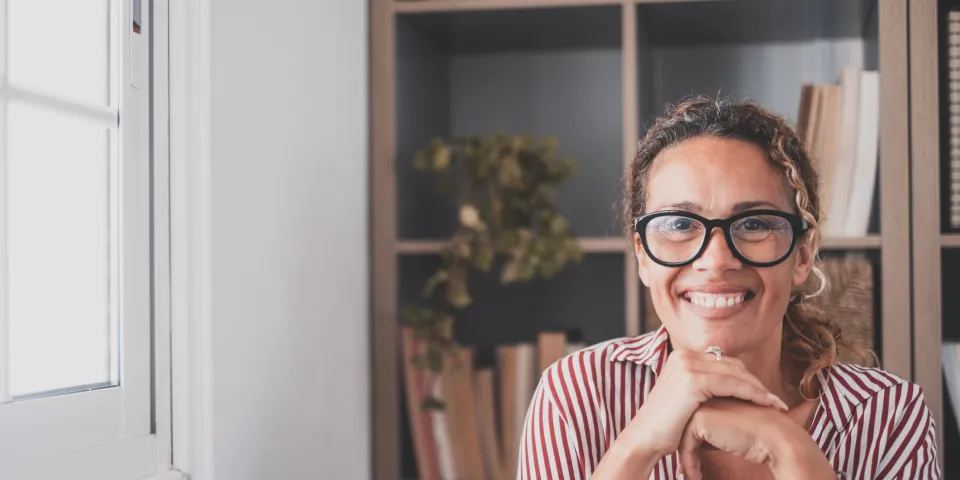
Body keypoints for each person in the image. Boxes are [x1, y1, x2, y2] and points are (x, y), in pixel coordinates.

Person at [517, 96, 941, 479]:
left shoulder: (888, 414)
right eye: (680, 224)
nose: (717, 260)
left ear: (803, 255)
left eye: (754, 223)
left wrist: (787, 449)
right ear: (643, 255)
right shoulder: (577, 392)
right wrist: (638, 444)